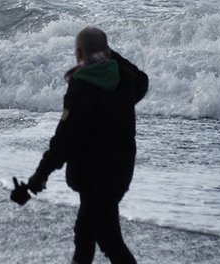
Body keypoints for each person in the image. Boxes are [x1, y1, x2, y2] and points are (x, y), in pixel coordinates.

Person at [19, 27, 149, 264]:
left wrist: (39, 177)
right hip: (120, 173)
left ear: (79, 52)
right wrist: (110, 54)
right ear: (107, 50)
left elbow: (63, 142)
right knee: (85, 235)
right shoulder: (125, 77)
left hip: (94, 179)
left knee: (111, 243)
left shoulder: (82, 88)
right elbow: (143, 79)